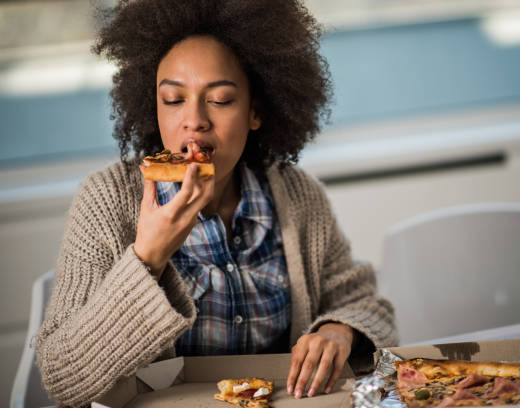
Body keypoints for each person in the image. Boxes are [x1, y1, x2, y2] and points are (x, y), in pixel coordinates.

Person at [35, 0, 398, 406]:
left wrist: (338, 330)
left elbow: (366, 306)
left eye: (221, 99)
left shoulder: (299, 197)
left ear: (255, 111)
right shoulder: (107, 200)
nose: (194, 120)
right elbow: (62, 378)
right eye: (173, 99)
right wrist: (148, 258)